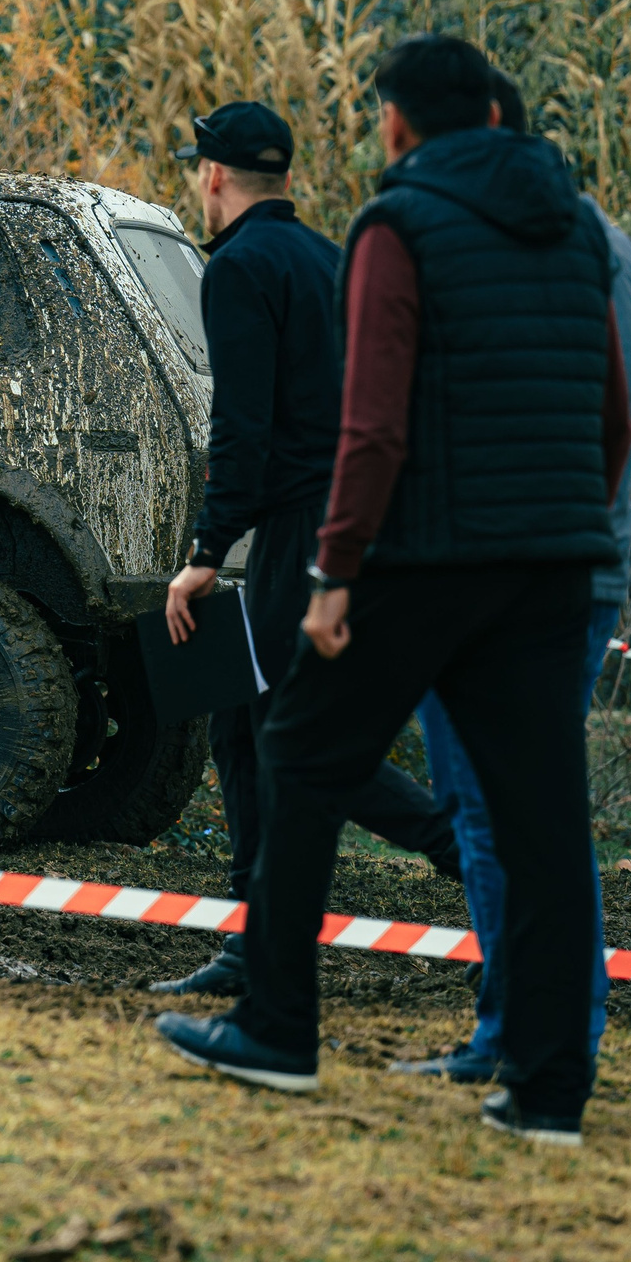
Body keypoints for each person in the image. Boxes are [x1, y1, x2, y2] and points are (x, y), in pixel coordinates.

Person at [155, 34, 631, 1148]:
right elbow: (608, 418)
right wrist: (560, 529)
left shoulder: (397, 224)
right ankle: (551, 1093)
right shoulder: (575, 229)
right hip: (557, 560)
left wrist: (334, 575)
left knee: (297, 753)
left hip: (425, 556)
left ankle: (276, 1028)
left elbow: (369, 428)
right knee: (544, 824)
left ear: (399, 122)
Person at [152, 102, 460, 999]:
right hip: (345, 521)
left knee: (297, 732)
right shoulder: (328, 260)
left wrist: (207, 548)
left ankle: (460, 848)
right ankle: (254, 945)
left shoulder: (241, 267)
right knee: (239, 725)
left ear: (213, 176)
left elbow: (240, 425)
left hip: (301, 532)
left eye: (196, 173)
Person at [390, 69, 631, 1081]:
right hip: (556, 562)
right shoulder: (581, 235)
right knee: (509, 808)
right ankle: (536, 1023)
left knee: (497, 811)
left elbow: (598, 424)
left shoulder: (563, 242)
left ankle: (530, 1033)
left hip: (521, 572)